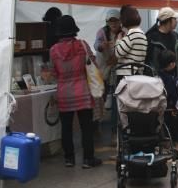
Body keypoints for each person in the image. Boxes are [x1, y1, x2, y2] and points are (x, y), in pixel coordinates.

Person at [49, 15, 101, 169]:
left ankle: (69, 159)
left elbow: (53, 72)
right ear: (74, 29)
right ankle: (88, 159)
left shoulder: (53, 50)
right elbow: (93, 64)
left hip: (64, 93)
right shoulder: (82, 45)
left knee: (66, 127)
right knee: (86, 127)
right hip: (83, 91)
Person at [94, 9, 123, 123]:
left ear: (120, 21)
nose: (113, 24)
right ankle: (99, 120)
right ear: (107, 22)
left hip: (116, 67)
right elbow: (96, 44)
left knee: (115, 94)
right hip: (102, 67)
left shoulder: (123, 33)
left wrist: (115, 58)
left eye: (116, 21)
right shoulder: (102, 32)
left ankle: (114, 121)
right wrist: (102, 46)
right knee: (102, 94)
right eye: (111, 21)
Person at [158, 50, 178, 141]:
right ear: (171, 64)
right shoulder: (169, 79)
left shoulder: (156, 75)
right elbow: (173, 94)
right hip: (167, 109)